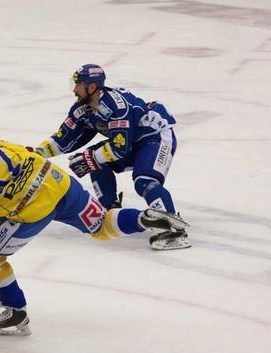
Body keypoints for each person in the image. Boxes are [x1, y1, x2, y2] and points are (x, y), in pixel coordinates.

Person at [0, 128, 189, 336]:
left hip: (32, 209)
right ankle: (142, 219)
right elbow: (24, 150)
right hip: (58, 183)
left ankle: (15, 314)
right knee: (103, 225)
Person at [33, 64, 190, 250]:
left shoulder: (117, 106)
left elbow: (119, 148)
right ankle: (111, 209)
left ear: (92, 87)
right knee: (95, 162)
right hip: (132, 142)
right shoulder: (82, 109)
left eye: (78, 84)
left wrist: (88, 157)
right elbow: (63, 138)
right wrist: (36, 154)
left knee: (145, 181)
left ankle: (173, 227)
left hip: (154, 137)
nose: (74, 89)